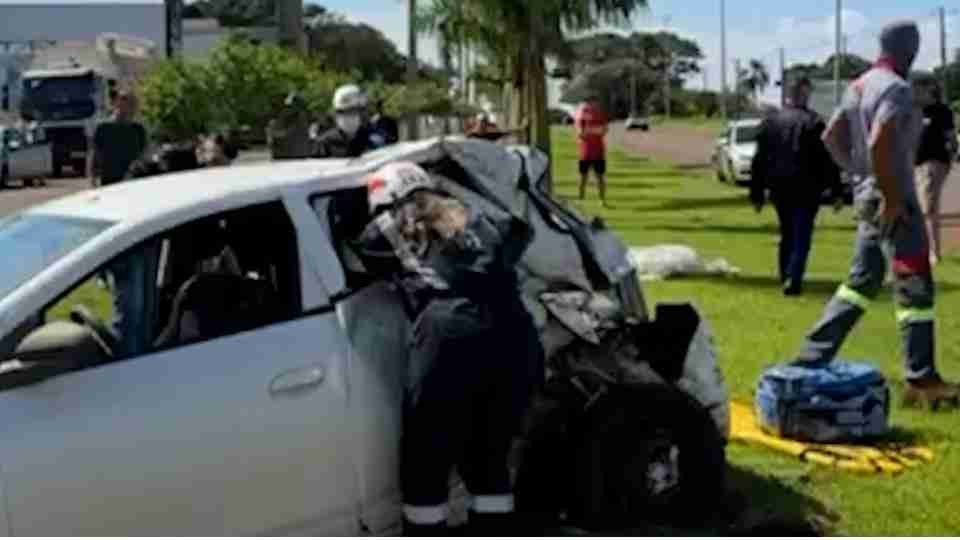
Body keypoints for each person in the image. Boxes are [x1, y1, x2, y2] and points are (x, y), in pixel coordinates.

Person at [353, 162, 543, 536]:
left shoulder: (388, 226)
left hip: (451, 334)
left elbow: (361, 249)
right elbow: (518, 232)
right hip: (514, 332)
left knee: (426, 456)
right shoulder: (476, 217)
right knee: (489, 456)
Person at [795, 21, 958, 406]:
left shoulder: (858, 85)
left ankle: (811, 356)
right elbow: (881, 138)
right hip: (894, 197)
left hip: (868, 195)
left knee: (862, 282)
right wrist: (890, 193)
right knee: (915, 283)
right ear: (910, 49)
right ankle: (921, 379)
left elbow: (831, 136)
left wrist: (858, 174)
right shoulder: (896, 88)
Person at [751, 77, 844, 296]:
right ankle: (793, 277)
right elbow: (827, 159)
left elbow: (760, 160)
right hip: (806, 187)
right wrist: (836, 190)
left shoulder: (770, 122)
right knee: (801, 233)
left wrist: (757, 192)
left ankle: (786, 275)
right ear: (804, 94)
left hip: (779, 187)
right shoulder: (813, 122)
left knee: (787, 232)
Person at [913, 77, 956, 266]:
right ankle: (922, 248)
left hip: (934, 162)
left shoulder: (942, 111)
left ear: (928, 90)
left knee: (928, 208)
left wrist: (951, 157)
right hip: (914, 164)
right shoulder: (915, 111)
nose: (914, 94)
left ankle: (933, 252)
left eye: (918, 90)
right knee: (920, 208)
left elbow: (951, 138)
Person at [87, 89, 148, 186]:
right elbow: (94, 153)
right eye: (127, 102)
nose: (131, 107)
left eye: (133, 103)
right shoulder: (103, 128)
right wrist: (93, 179)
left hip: (133, 180)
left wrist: (138, 165)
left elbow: (144, 153)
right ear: (117, 103)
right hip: (109, 180)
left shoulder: (138, 129)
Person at [314, 84, 386, 158]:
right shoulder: (324, 143)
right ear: (336, 114)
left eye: (354, 112)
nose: (350, 117)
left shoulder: (373, 139)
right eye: (344, 112)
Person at [574, 96, 609, 207]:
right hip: (585, 152)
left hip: (598, 151)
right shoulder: (581, 117)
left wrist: (590, 131)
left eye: (594, 103)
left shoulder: (600, 114)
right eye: (590, 104)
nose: (592, 106)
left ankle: (602, 200)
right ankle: (581, 199)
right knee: (583, 177)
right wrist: (594, 130)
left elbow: (604, 130)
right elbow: (581, 133)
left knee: (600, 177)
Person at [268, 91, 314, 160]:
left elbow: (280, 132)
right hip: (300, 152)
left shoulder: (289, 114)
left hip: (289, 152)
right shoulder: (303, 114)